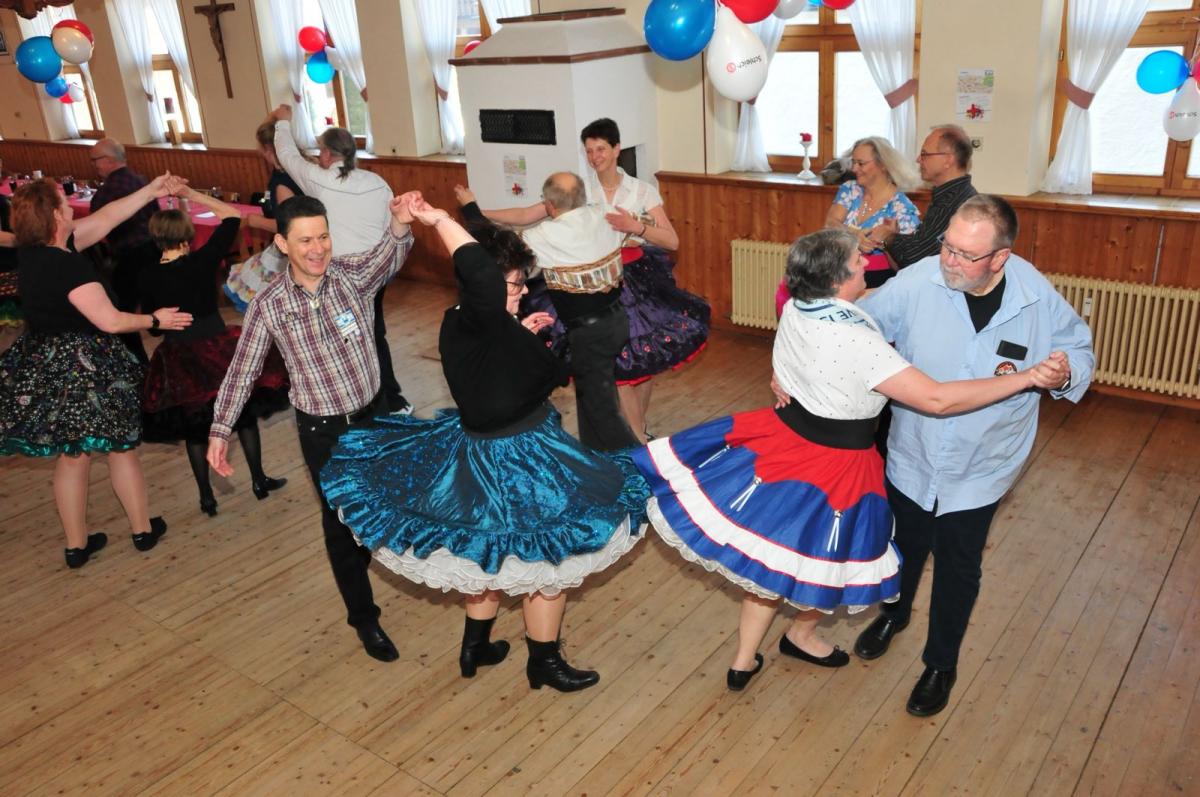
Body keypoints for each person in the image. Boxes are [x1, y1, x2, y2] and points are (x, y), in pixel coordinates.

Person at [632, 226, 1069, 692]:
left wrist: (782, 377)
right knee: (829, 557)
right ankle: (801, 634)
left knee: (771, 555)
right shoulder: (858, 342)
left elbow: (830, 331)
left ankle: (744, 660)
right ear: (839, 279)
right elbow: (937, 399)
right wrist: (1026, 379)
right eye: (858, 261)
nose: (867, 264)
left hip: (787, 443)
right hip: (838, 466)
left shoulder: (797, 306)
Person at [321, 199, 648, 692]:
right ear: (489, 286)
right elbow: (480, 276)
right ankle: (544, 663)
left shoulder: (472, 323)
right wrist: (439, 219)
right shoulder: (480, 317)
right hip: (516, 457)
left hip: (488, 448)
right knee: (546, 561)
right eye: (515, 284)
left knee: (487, 553)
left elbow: (509, 375)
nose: (523, 292)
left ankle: (475, 646)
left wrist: (521, 334)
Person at [854, 195, 1093, 716]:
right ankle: (894, 614)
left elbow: (1079, 346)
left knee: (959, 565)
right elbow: (858, 327)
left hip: (983, 463)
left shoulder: (1035, 296)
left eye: (966, 254)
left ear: (1000, 258)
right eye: (948, 246)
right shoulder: (918, 281)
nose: (950, 260)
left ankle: (940, 664)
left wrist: (1063, 372)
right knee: (903, 544)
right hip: (914, 450)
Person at [207, 191, 418, 662]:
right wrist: (220, 430)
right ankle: (365, 619)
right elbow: (242, 371)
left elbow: (390, 251)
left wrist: (401, 222)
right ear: (282, 244)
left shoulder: (352, 277)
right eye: (305, 240)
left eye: (323, 236)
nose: (318, 248)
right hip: (324, 432)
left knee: (388, 503)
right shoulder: (269, 305)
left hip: (376, 416)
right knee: (341, 525)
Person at [456, 117, 710, 442]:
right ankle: (635, 437)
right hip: (597, 286)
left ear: (617, 149)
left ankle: (637, 428)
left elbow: (671, 240)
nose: (594, 157)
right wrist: (483, 212)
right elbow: (527, 214)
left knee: (641, 366)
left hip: (634, 281)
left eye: (600, 149)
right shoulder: (579, 189)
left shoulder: (641, 190)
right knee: (619, 372)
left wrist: (636, 227)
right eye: (589, 151)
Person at [0, 176, 192, 568]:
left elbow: (106, 218)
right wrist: (156, 319)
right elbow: (112, 321)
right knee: (121, 449)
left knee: (73, 456)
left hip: (48, 367)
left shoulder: (33, 252)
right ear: (56, 216)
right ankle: (142, 530)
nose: (70, 205)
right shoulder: (70, 268)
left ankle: (76, 547)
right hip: (87, 371)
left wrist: (151, 191)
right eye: (64, 202)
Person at [139, 185, 290, 517]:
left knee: (195, 430)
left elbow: (154, 326)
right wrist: (189, 193)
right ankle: (259, 480)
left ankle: (207, 497)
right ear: (187, 236)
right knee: (243, 415)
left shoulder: (148, 275)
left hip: (179, 357)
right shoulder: (203, 260)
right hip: (216, 349)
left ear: (156, 238)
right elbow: (232, 216)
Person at [269, 105, 409, 413]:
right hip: (375, 271)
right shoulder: (376, 182)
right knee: (372, 332)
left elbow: (287, 155)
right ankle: (391, 400)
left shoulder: (319, 179)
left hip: (342, 277)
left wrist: (283, 122)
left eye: (320, 150)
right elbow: (391, 227)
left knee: (350, 336)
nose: (318, 156)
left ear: (328, 154)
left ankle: (366, 402)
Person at [515, 172, 641, 451]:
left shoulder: (545, 235)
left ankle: (639, 466)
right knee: (590, 397)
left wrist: (472, 212)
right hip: (617, 320)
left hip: (590, 332)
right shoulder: (605, 213)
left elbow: (506, 253)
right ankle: (596, 457)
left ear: (549, 205)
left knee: (600, 408)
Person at [774, 136, 920, 315]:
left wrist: (886, 242)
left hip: (877, 283)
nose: (854, 168)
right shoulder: (850, 189)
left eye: (861, 163)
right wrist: (854, 235)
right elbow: (830, 224)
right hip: (839, 274)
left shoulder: (903, 209)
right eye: (853, 162)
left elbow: (905, 267)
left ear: (883, 164)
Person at [89, 138, 160, 365]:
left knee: (120, 312)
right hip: (154, 249)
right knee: (156, 301)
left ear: (109, 160)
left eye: (95, 160)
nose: (94, 165)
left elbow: (96, 229)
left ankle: (138, 365)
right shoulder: (141, 181)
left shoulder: (108, 191)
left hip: (130, 257)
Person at [225, 118, 305, 312]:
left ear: (269, 150)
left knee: (254, 287)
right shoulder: (291, 169)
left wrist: (257, 222)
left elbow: (291, 226)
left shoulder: (283, 183)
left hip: (293, 251)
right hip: (289, 247)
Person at [871, 124, 978, 271]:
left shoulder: (953, 203)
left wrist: (888, 237)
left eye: (924, 154)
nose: (918, 160)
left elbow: (915, 258)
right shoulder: (952, 195)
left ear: (948, 160)